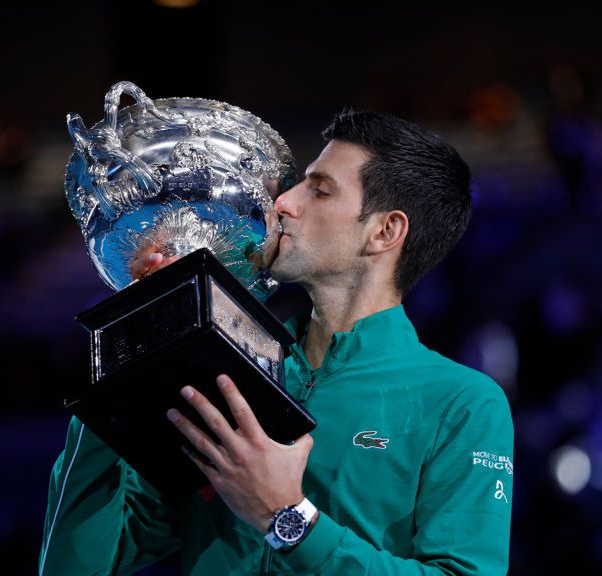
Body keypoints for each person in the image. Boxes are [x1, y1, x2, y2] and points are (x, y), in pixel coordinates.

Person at [39, 109, 514, 575]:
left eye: (320, 189)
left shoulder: (461, 404)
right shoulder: (218, 364)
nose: (283, 202)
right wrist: (127, 362)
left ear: (384, 232)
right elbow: (77, 565)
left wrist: (287, 518)